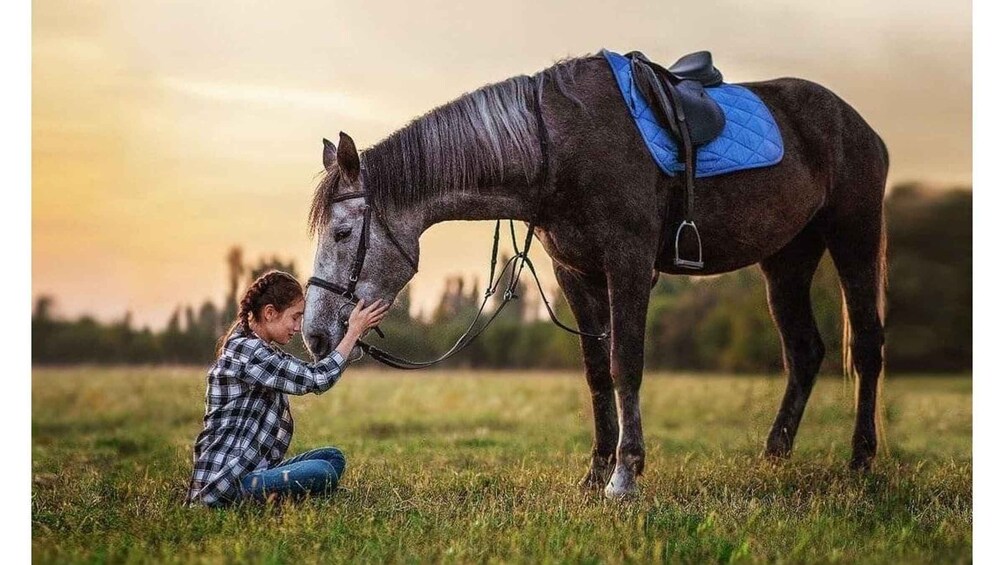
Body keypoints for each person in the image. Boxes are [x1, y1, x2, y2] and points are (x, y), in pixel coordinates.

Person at [185, 270, 389, 507]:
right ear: (270, 313)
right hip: (227, 483)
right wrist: (353, 332)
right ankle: (262, 499)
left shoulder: (256, 348)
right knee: (323, 472)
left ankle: (284, 493)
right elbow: (317, 379)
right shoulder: (250, 352)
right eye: (294, 317)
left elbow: (309, 372)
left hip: (252, 468)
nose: (297, 327)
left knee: (332, 457)